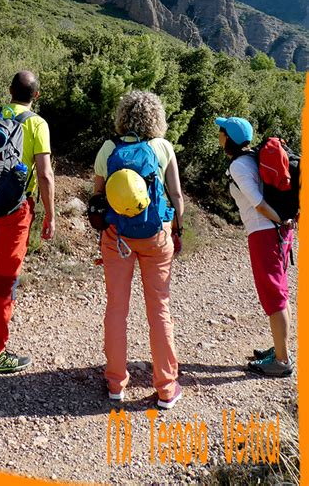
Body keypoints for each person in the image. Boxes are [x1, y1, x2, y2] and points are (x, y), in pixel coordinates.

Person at [93, 90, 185, 408]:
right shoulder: (162, 148)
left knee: (116, 308)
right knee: (159, 309)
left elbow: (98, 198)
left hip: (116, 238)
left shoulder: (108, 148)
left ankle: (116, 383)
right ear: (155, 118)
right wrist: (178, 230)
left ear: (123, 116)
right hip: (155, 236)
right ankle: (165, 387)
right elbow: (175, 195)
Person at [0, 70, 55, 375]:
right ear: (36, 95)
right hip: (15, 211)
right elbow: (44, 174)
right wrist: (50, 214)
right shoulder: (37, 123)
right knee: (6, 281)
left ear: (9, 91)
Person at [215, 116, 294, 378]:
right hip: (278, 232)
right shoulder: (253, 158)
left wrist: (279, 219)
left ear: (229, 138)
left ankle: (281, 362)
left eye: (221, 132)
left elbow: (258, 202)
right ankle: (281, 349)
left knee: (273, 295)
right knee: (280, 292)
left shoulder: (239, 166)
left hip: (264, 232)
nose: (219, 135)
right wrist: (284, 222)